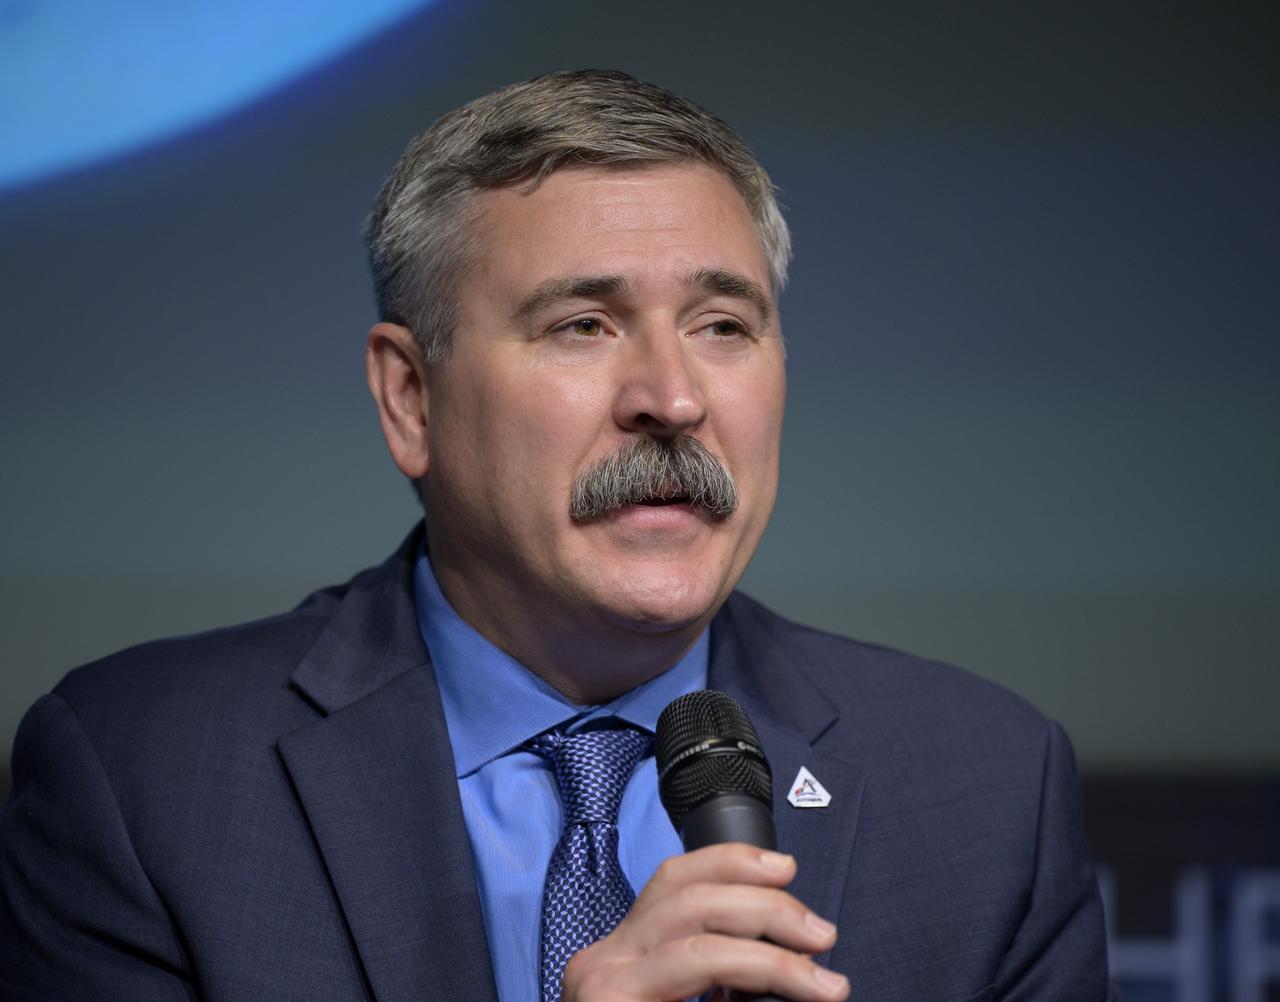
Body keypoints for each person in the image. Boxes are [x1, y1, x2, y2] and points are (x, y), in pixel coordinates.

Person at [0, 70, 1112, 1001]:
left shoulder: (985, 789)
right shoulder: (145, 779)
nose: (672, 398)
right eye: (583, 325)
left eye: (723, 325)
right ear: (410, 399)